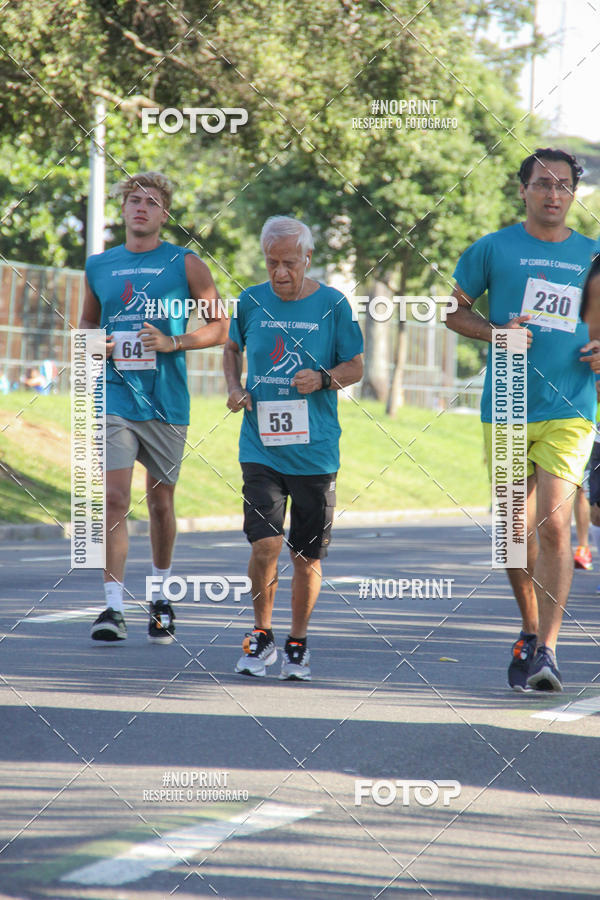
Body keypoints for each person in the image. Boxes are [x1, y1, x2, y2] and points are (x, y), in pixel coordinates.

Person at [446, 148, 598, 692]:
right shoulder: (493, 248)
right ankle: (530, 629)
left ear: (574, 193)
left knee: (555, 522)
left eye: (563, 185)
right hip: (508, 399)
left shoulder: (595, 253)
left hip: (572, 405)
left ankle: (550, 652)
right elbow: (453, 310)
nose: (553, 194)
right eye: (542, 184)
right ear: (524, 190)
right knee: (512, 532)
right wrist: (495, 332)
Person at [79, 172, 228, 644]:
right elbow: (85, 324)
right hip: (115, 396)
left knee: (160, 502)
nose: (140, 208)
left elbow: (221, 328)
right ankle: (112, 607)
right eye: (133, 201)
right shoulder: (99, 265)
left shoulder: (185, 263)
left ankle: (161, 595)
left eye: (151, 202)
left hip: (166, 400)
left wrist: (173, 341)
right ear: (122, 210)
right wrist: (92, 344)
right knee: (116, 500)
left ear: (165, 214)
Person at [223, 215, 363, 680]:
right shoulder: (250, 301)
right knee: (265, 543)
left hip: (316, 451)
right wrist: (234, 386)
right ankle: (260, 635)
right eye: (271, 263)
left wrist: (324, 378)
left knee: (306, 557)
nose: (280, 273)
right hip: (260, 446)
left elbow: (356, 366)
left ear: (308, 259)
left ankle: (297, 642)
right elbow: (231, 348)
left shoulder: (333, 304)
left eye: (289, 263)